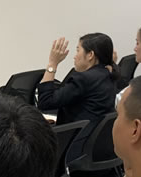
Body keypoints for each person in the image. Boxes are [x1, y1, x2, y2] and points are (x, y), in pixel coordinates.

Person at [37, 33, 117, 161]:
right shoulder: (107, 75)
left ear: (90, 55)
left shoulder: (84, 79)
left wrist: (52, 63)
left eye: (78, 50)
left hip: (74, 149)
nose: (74, 56)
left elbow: (45, 102)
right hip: (97, 148)